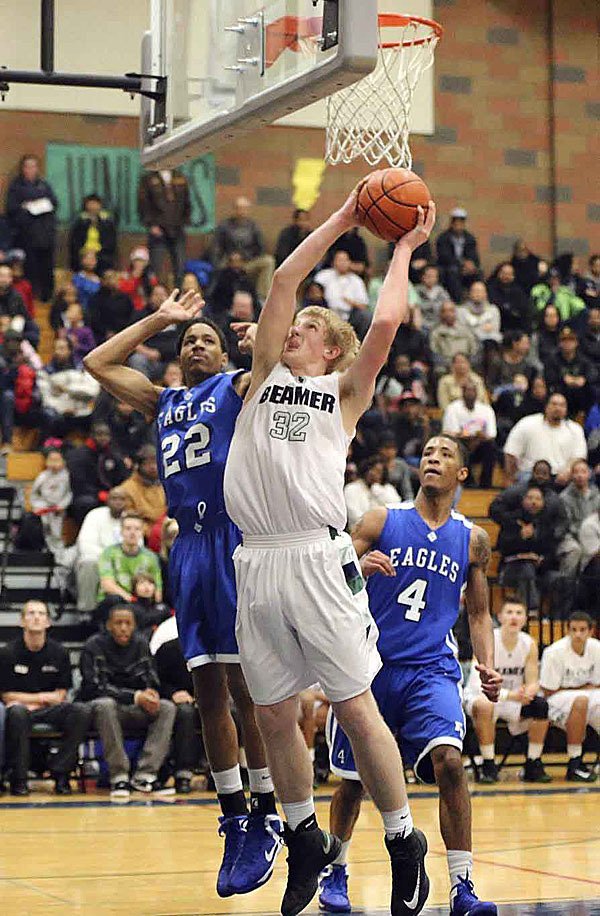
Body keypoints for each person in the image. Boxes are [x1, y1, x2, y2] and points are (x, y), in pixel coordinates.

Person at [223, 191, 438, 916]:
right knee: (275, 715)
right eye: (297, 322)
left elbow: (384, 321)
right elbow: (285, 280)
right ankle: (302, 836)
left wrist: (403, 247)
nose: (297, 325)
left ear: (331, 349)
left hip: (317, 557)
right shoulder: (261, 375)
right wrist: (347, 215)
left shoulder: (344, 391)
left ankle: (405, 839)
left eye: (312, 325)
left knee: (352, 705)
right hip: (256, 560)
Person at [83, 289, 282, 897]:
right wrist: (160, 319)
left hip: (235, 539)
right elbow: (97, 363)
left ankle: (267, 810)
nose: (195, 345)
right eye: (188, 340)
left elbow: (283, 371)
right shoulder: (163, 400)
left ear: (224, 355)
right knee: (208, 690)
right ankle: (231, 815)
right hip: (189, 553)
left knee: (248, 689)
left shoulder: (240, 388)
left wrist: (264, 339)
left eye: (205, 339)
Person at [319, 435, 501, 916]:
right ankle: (334, 871)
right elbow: (329, 580)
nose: (432, 459)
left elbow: (479, 615)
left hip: (432, 671)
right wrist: (359, 567)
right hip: (371, 667)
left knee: (450, 762)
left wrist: (486, 663)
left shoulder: (473, 540)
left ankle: (462, 886)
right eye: (426, 453)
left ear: (462, 474)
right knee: (354, 782)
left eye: (444, 455)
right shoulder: (382, 520)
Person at [79, 604, 176, 797]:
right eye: (118, 623)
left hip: (136, 707)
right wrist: (134, 696)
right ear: (108, 626)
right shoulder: (93, 646)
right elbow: (93, 687)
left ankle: (145, 775)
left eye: (128, 623)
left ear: (134, 626)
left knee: (167, 707)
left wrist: (151, 693)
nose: (123, 627)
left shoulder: (141, 644)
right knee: (104, 705)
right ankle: (119, 776)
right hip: (106, 711)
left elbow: (152, 679)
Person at [0, 601, 92, 796]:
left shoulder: (59, 652)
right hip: (20, 711)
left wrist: (34, 700)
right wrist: (42, 698)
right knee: (17, 712)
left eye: (41, 614)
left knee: (80, 710)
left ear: (48, 622)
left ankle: (61, 773)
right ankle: (19, 779)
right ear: (22, 621)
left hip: (48, 710)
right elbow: (7, 695)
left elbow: (61, 695)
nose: (36, 617)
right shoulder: (7, 653)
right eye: (31, 613)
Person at [464, 599, 551, 784]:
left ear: (525, 619)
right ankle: (489, 764)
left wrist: (529, 691)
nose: (514, 617)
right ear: (500, 617)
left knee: (541, 706)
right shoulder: (488, 640)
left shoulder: (529, 643)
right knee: (485, 705)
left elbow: (533, 680)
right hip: (480, 695)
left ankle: (532, 762)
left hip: (513, 700)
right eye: (509, 612)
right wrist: (514, 695)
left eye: (519, 613)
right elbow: (478, 683)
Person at [539, 611, 599, 782]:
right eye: (574, 630)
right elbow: (549, 690)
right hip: (555, 699)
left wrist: (578, 688)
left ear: (590, 631)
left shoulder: (596, 648)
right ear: (568, 631)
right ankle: (575, 762)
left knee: (585, 700)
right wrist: (582, 687)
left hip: (584, 694)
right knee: (581, 701)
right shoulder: (554, 652)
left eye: (582, 630)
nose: (578, 634)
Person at [150, 615, 207, 793]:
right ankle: (183, 773)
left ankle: (225, 772)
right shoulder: (168, 649)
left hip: (211, 697)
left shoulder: (214, 648)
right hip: (177, 700)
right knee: (185, 713)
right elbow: (156, 681)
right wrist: (173, 693)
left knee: (233, 711)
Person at [504, 393, 587, 486]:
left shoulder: (575, 429)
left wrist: (567, 471)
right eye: (554, 404)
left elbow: (579, 456)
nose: (558, 408)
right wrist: (510, 477)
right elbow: (511, 452)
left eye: (562, 405)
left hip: (562, 476)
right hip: (530, 474)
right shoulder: (526, 424)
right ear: (546, 406)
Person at [496, 486, 557, 612]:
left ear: (543, 503)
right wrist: (521, 537)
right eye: (530, 498)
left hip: (539, 569)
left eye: (538, 499)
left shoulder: (546, 524)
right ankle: (531, 610)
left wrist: (540, 559)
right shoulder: (511, 520)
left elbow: (551, 552)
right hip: (511, 568)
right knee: (527, 569)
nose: (534, 502)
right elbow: (503, 547)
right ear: (523, 501)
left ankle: (556, 618)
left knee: (557, 578)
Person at [6, 154, 58, 301]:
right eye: (27, 166)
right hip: (27, 236)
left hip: (46, 235)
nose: (30, 169)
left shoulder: (44, 185)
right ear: (22, 169)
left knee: (47, 268)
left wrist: (38, 204)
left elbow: (53, 203)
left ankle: (47, 296)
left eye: (33, 166)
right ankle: (32, 297)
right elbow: (12, 209)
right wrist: (28, 208)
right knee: (30, 268)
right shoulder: (16, 186)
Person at [74, 486, 130, 612]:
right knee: (88, 563)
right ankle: (86, 610)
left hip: (124, 561)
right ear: (107, 501)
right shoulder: (95, 515)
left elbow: (138, 545)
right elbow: (85, 546)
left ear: (127, 502)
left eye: (122, 499)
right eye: (114, 498)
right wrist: (109, 560)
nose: (118, 502)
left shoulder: (130, 518)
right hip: (98, 560)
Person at [65, 420, 129, 525]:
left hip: (112, 494)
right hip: (88, 494)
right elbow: (78, 482)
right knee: (86, 502)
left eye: (106, 435)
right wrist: (99, 494)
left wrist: (116, 493)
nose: (103, 438)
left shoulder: (114, 454)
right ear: (92, 435)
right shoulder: (79, 455)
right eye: (99, 435)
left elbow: (122, 477)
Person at [213, 196, 275, 299]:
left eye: (244, 208)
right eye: (238, 208)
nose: (241, 211)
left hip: (248, 263)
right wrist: (230, 258)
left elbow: (261, 249)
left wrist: (243, 257)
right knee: (218, 265)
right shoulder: (224, 226)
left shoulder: (253, 227)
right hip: (228, 262)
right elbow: (216, 248)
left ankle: (262, 298)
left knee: (269, 261)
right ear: (234, 209)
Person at [97, 512, 162, 606]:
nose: (132, 532)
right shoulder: (109, 553)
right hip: (115, 601)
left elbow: (157, 587)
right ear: (121, 531)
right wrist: (131, 599)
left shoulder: (151, 556)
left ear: (142, 532)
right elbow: (107, 584)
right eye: (128, 528)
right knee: (114, 600)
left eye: (137, 529)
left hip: (141, 602)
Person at [138, 169, 191, 284]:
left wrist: (185, 220)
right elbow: (143, 203)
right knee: (156, 265)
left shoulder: (180, 176)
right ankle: (157, 294)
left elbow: (187, 201)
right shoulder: (148, 178)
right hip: (158, 229)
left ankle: (177, 295)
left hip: (177, 228)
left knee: (180, 266)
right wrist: (151, 224)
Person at [442, 380, 498, 487]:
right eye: (467, 390)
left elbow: (491, 435)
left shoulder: (486, 409)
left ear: (477, 393)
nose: (470, 393)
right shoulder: (453, 408)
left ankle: (485, 484)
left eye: (473, 390)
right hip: (461, 444)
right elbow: (450, 434)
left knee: (491, 447)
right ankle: (468, 482)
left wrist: (478, 438)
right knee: (458, 446)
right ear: (462, 392)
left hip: (481, 444)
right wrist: (469, 437)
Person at [557, 459, 600, 579]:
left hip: (593, 535)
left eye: (583, 472)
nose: (580, 475)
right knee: (575, 551)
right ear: (571, 475)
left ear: (589, 474)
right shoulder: (564, 498)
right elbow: (566, 524)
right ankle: (567, 589)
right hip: (572, 536)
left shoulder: (597, 494)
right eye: (576, 472)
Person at [29, 448, 72, 557]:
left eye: (57, 460)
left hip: (59, 509)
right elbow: (34, 494)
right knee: (45, 527)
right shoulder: (42, 476)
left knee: (56, 530)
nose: (54, 463)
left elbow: (69, 494)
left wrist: (62, 505)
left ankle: (58, 552)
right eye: (51, 460)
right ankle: (45, 547)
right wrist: (38, 506)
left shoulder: (67, 476)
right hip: (44, 507)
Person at [545, 326, 597, 415]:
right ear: (560, 343)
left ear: (576, 343)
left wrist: (584, 379)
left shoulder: (583, 359)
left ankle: (583, 415)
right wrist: (562, 378)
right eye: (564, 341)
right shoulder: (553, 359)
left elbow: (593, 373)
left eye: (571, 340)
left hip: (581, 396)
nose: (567, 343)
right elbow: (549, 375)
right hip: (561, 392)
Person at [314, 249, 370, 327]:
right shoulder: (323, 276)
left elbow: (364, 305)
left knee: (365, 316)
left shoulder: (356, 280)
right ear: (333, 262)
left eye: (345, 260)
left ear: (349, 263)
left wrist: (351, 302)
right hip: (327, 312)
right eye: (339, 260)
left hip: (350, 316)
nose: (342, 263)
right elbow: (313, 293)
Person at [435, 207, 481, 303]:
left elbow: (475, 256)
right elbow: (444, 257)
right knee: (453, 272)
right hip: (448, 267)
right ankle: (457, 301)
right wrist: (462, 264)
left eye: (461, 222)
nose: (458, 225)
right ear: (451, 223)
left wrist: (472, 265)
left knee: (478, 273)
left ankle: (476, 299)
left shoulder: (470, 238)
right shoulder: (443, 238)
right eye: (456, 222)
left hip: (465, 268)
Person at [344, 456, 401, 530]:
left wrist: (378, 490)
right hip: (359, 531)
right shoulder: (351, 488)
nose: (373, 474)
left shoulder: (388, 488)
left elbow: (396, 508)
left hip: (385, 530)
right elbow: (354, 515)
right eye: (372, 470)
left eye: (378, 471)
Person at [120, 444, 167, 534]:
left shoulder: (165, 485)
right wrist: (154, 533)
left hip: (166, 531)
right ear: (138, 466)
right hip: (142, 536)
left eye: (155, 462)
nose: (153, 467)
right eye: (148, 463)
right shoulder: (127, 488)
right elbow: (130, 519)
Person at [69, 193, 117, 273]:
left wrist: (95, 253)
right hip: (83, 255)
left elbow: (111, 244)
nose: (93, 206)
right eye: (90, 203)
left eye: (95, 203)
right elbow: (74, 243)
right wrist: (85, 253)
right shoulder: (80, 222)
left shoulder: (107, 222)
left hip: (101, 255)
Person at [429, 301, 479, 375]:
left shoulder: (466, 330)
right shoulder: (436, 332)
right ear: (441, 314)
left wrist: (466, 364)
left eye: (451, 311)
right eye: (445, 311)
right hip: (446, 365)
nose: (448, 314)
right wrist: (451, 365)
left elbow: (474, 348)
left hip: (466, 363)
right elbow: (434, 351)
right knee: (439, 369)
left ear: (455, 313)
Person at [88, 270, 135, 344]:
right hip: (102, 336)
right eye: (109, 279)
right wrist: (106, 332)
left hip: (123, 333)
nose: (112, 281)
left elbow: (131, 315)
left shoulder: (125, 298)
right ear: (103, 281)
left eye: (115, 278)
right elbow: (94, 319)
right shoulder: (96, 299)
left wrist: (123, 332)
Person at [0, 263, 40, 348]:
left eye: (7, 276)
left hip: (14, 330)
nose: (4, 279)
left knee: (32, 330)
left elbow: (26, 317)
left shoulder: (16, 296)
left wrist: (12, 321)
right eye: (2, 276)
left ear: (11, 279)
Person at [487, 262, 533, 333]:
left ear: (513, 276)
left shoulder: (519, 292)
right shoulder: (491, 290)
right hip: (496, 328)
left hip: (515, 329)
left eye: (509, 274)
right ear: (499, 274)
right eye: (504, 273)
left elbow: (524, 311)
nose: (506, 276)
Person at [414, 264, 451, 330]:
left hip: (439, 324)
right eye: (428, 276)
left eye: (434, 276)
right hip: (422, 324)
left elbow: (447, 305)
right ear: (422, 277)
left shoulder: (441, 291)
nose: (431, 279)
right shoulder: (416, 291)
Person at [72, 249, 101, 314]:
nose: (91, 262)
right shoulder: (77, 278)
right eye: (89, 259)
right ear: (82, 261)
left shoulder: (99, 280)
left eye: (93, 259)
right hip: (82, 311)